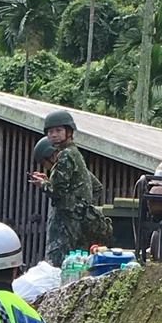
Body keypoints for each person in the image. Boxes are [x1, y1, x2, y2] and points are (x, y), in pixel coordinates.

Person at [29, 110, 100, 267]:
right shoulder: (75, 153)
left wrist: (43, 185)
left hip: (66, 225)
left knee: (59, 266)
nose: (54, 135)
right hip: (80, 223)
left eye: (58, 130)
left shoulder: (65, 155)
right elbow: (95, 187)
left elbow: (57, 193)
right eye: (50, 131)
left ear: (69, 132)